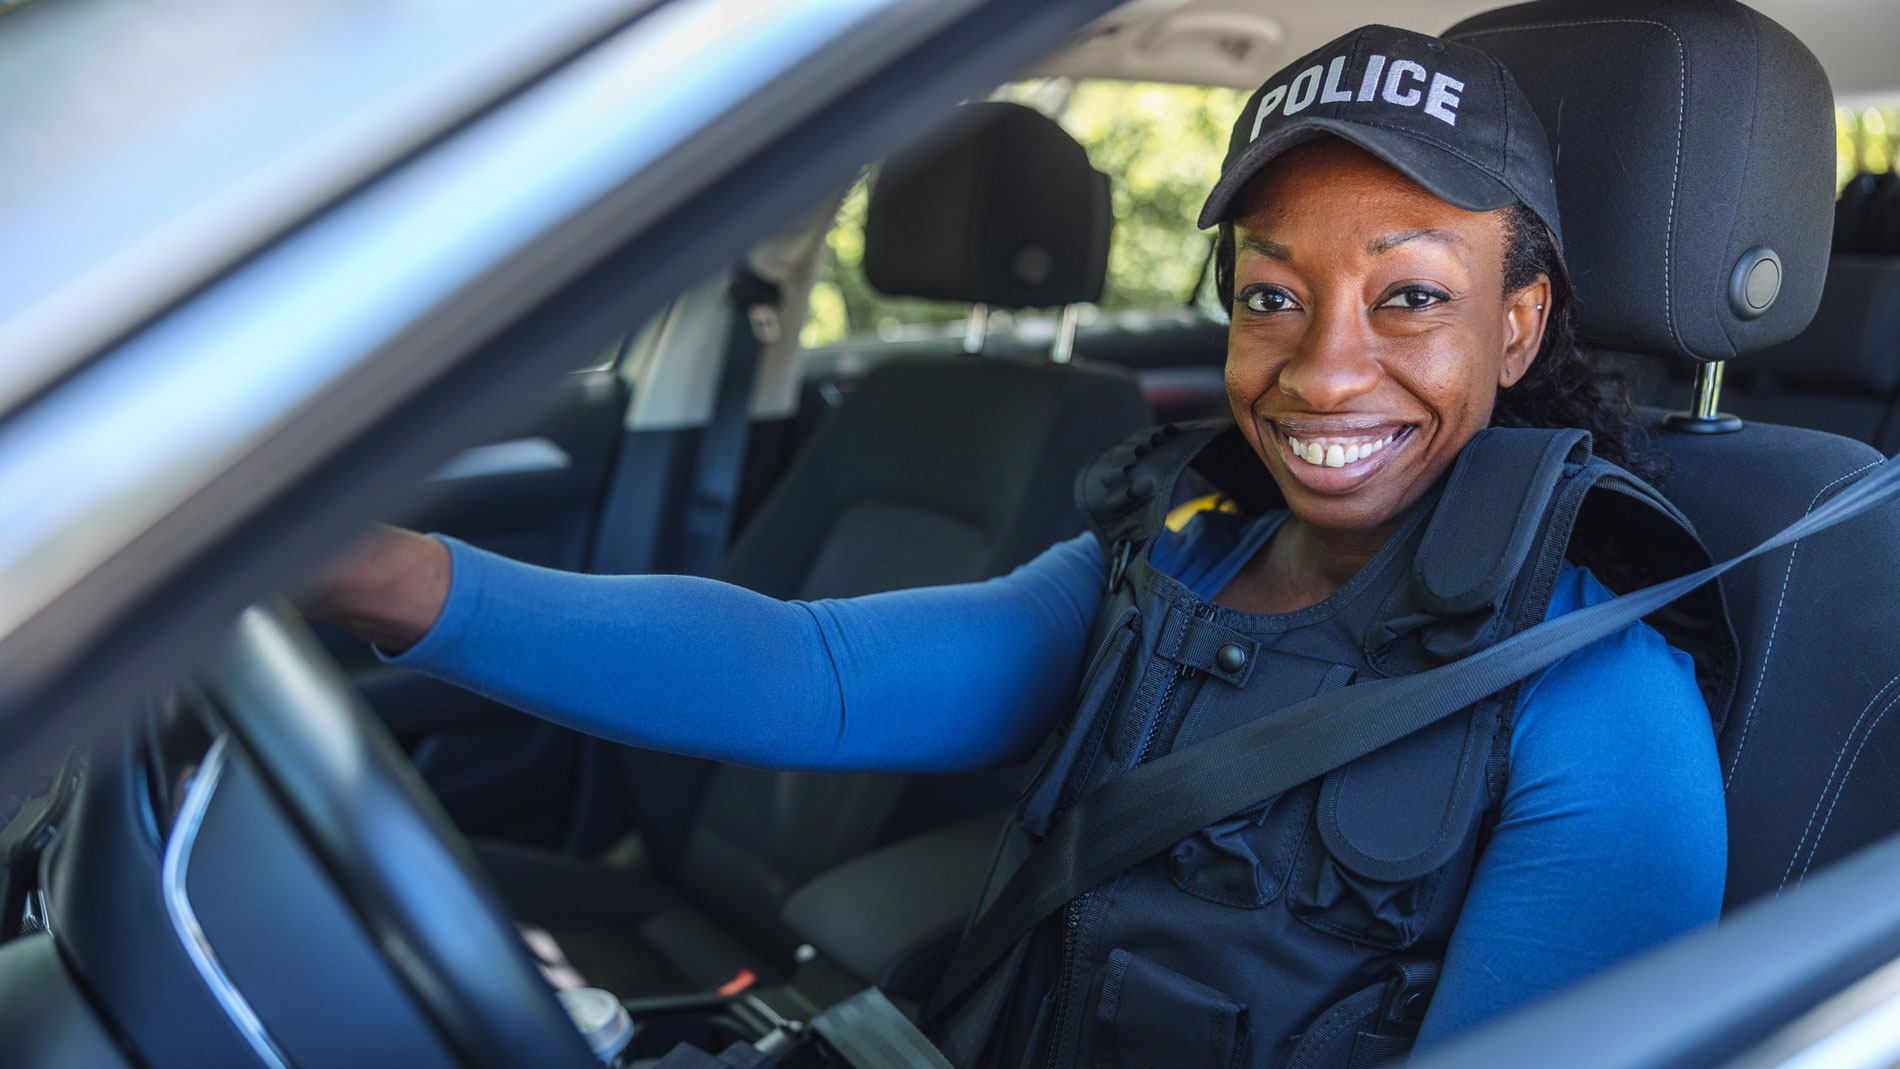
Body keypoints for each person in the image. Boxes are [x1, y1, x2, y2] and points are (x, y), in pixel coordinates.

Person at [304, 24, 1725, 1068]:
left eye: (1411, 295)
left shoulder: (1598, 699)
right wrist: (386, 574)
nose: (1326, 370)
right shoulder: (1171, 555)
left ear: (1519, 322)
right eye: (1274, 295)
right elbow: (811, 672)